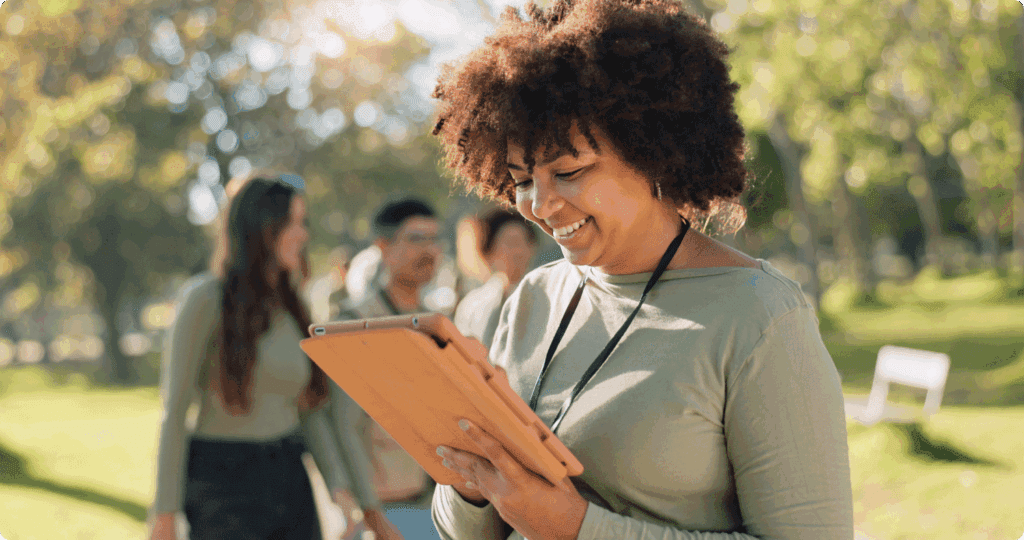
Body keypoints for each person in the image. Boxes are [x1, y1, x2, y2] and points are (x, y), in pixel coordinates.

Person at [427, 0, 854, 539]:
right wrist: (472, 481)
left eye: (570, 170)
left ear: (654, 153)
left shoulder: (760, 317)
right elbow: (465, 532)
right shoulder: (534, 297)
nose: (539, 203)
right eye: (522, 179)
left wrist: (576, 527)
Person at [149, 173, 400, 540]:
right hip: (222, 483)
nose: (303, 234)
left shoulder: (293, 306)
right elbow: (173, 412)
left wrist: (340, 493)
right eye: (291, 223)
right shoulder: (204, 298)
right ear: (258, 227)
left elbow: (310, 410)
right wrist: (164, 514)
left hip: (288, 475)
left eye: (303, 222)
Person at [324, 197, 444, 539]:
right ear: (383, 247)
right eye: (417, 239)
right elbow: (345, 426)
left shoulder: (436, 324)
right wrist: (372, 515)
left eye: (435, 240)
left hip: (436, 504)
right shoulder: (354, 323)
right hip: (385, 512)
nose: (430, 250)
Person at [453, 208, 538, 349]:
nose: (518, 251)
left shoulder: (546, 295)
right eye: (511, 243)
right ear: (489, 250)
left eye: (525, 242)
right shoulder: (471, 304)